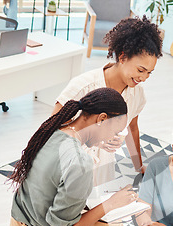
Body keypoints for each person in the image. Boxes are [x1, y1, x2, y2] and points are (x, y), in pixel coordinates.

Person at [9, 88, 139, 226]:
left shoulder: (54, 128)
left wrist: (95, 141)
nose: (113, 137)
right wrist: (112, 203)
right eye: (115, 131)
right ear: (101, 119)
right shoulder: (80, 162)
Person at [53, 16, 163, 185]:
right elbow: (52, 131)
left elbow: (132, 129)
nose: (144, 78)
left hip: (102, 170)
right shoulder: (83, 87)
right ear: (123, 56)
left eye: (149, 72)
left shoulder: (137, 95)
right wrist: (94, 138)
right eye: (141, 70)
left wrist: (138, 166)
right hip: (68, 169)